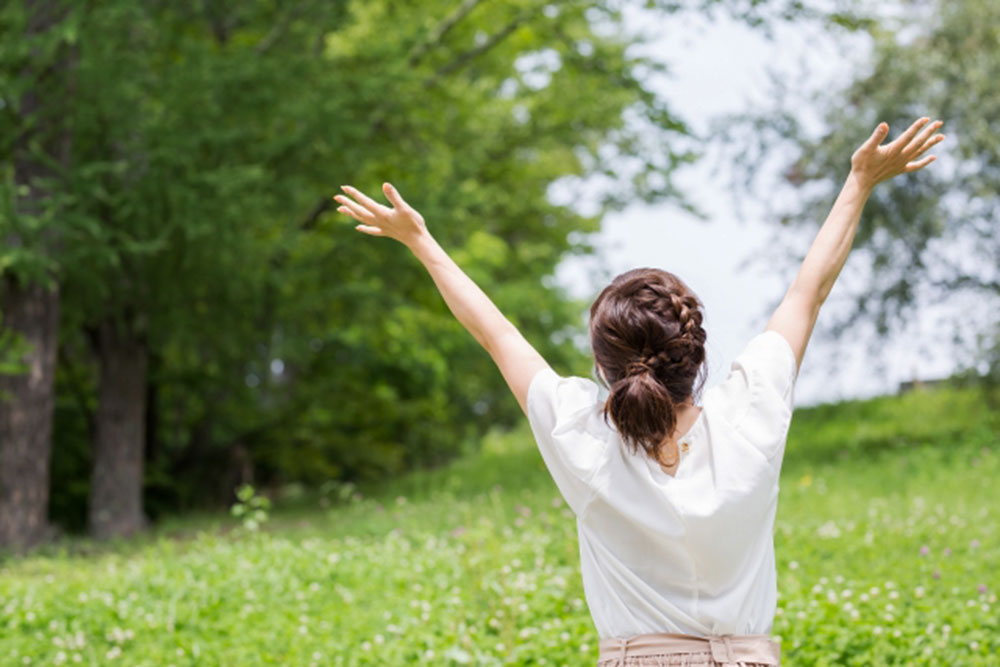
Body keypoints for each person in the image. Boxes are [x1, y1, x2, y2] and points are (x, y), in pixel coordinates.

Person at [333, 116, 945, 666]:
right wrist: (858, 183)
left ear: (605, 366)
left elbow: (495, 335)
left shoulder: (583, 437)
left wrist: (421, 241)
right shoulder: (749, 418)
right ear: (696, 352)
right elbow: (807, 293)